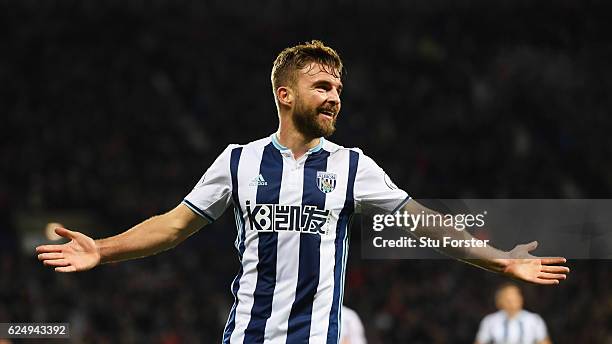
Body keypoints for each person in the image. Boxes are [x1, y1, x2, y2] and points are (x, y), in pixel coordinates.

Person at [36, 40, 569, 343]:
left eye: (339, 88)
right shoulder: (239, 161)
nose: (336, 97)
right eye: (323, 87)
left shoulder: (352, 165)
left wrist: (501, 261)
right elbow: (175, 225)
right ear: (285, 95)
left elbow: (423, 221)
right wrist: (102, 249)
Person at [475, 283, 552, 344]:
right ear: (499, 301)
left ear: (521, 299)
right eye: (508, 298)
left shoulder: (534, 320)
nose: (512, 301)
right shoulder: (490, 321)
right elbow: (480, 341)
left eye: (515, 297)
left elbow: (544, 342)